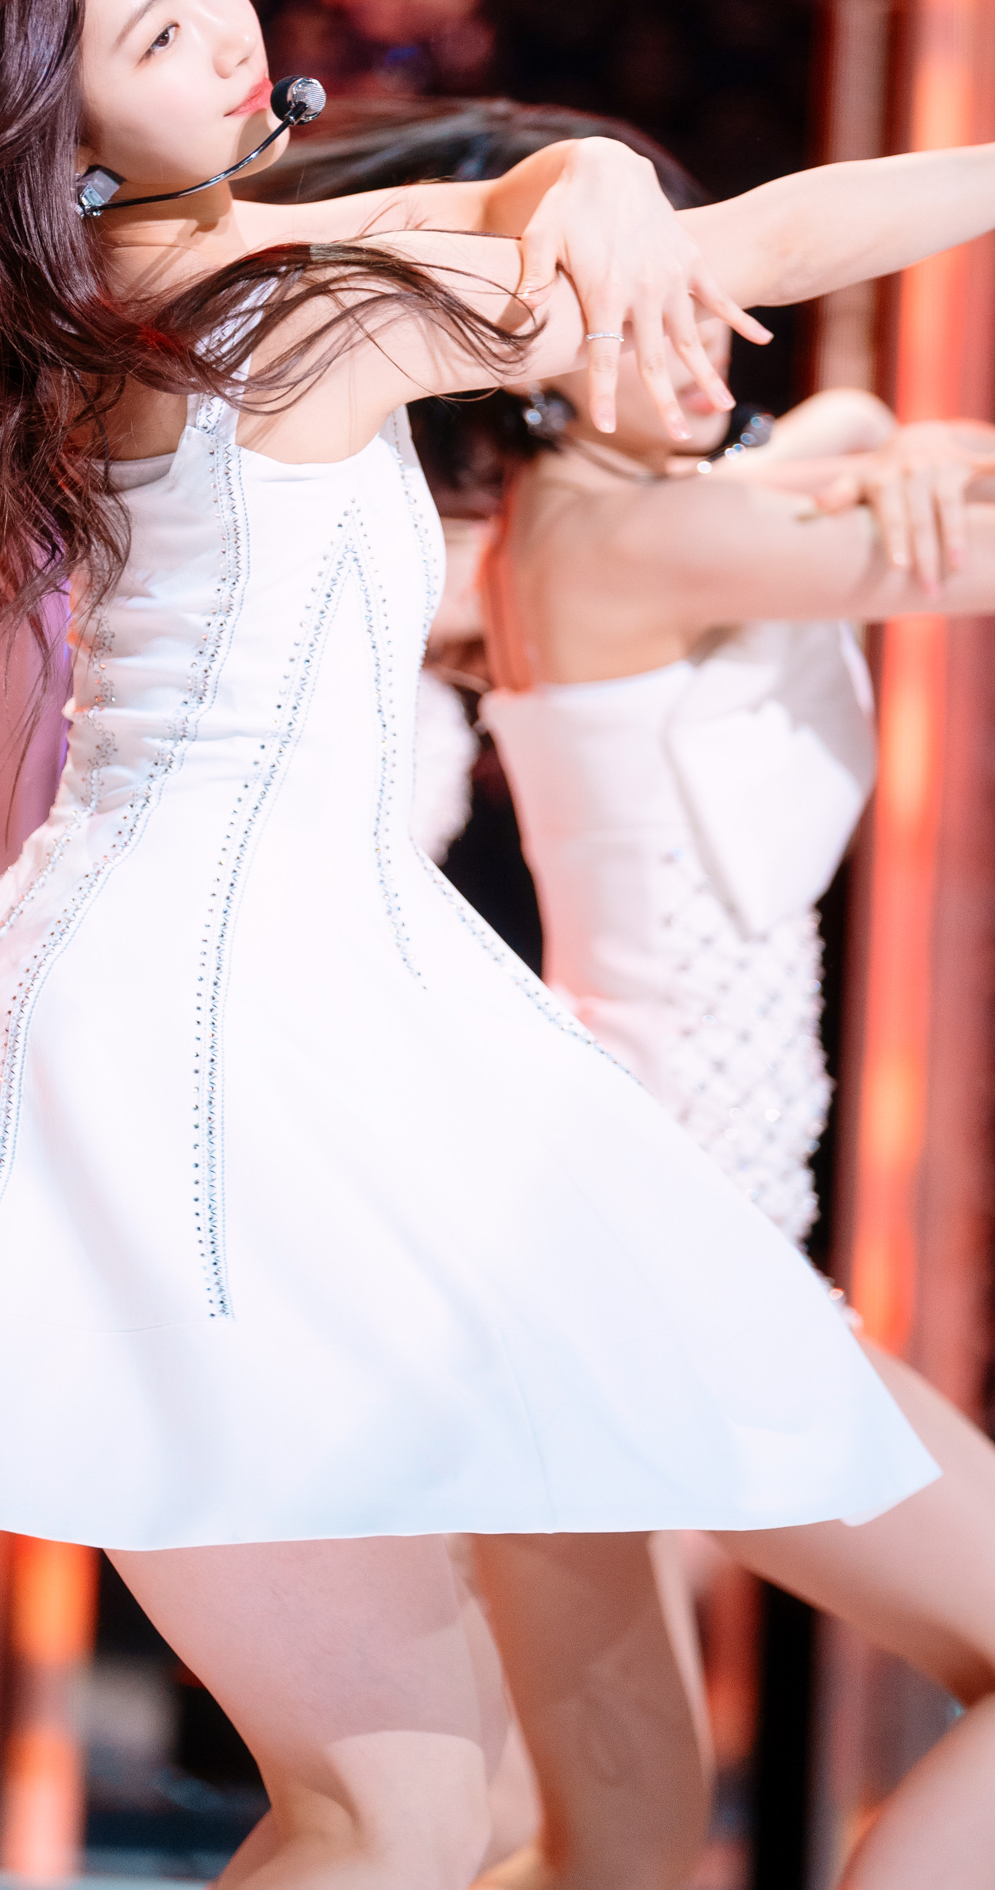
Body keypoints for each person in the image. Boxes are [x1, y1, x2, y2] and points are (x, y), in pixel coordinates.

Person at [0, 0, 995, 1890]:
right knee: (413, 1813)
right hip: (245, 1030)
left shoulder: (183, 291)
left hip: (208, 1004)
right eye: (153, 31)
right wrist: (610, 201)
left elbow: (520, 226)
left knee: (428, 1812)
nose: (222, 31)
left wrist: (577, 183)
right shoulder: (280, 314)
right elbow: (737, 244)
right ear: (59, 124)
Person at [273, 95, 995, 1887]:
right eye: (648, 292)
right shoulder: (629, 542)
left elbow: (804, 473)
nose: (708, 333)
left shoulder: (605, 523)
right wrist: (903, 453)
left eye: (715, 288)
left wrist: (873, 432)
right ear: (536, 349)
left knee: (604, 1855)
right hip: (655, 1247)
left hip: (609, 1240)